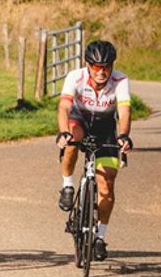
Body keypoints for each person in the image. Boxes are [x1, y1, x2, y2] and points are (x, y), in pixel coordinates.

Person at [56, 39, 133, 262]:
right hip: (79, 120)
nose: (102, 71)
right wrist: (63, 132)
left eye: (106, 66)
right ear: (88, 65)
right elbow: (64, 107)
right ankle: (68, 186)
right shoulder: (75, 77)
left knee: (107, 185)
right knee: (71, 139)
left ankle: (99, 236)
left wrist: (124, 135)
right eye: (97, 66)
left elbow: (125, 111)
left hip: (105, 127)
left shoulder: (120, 80)